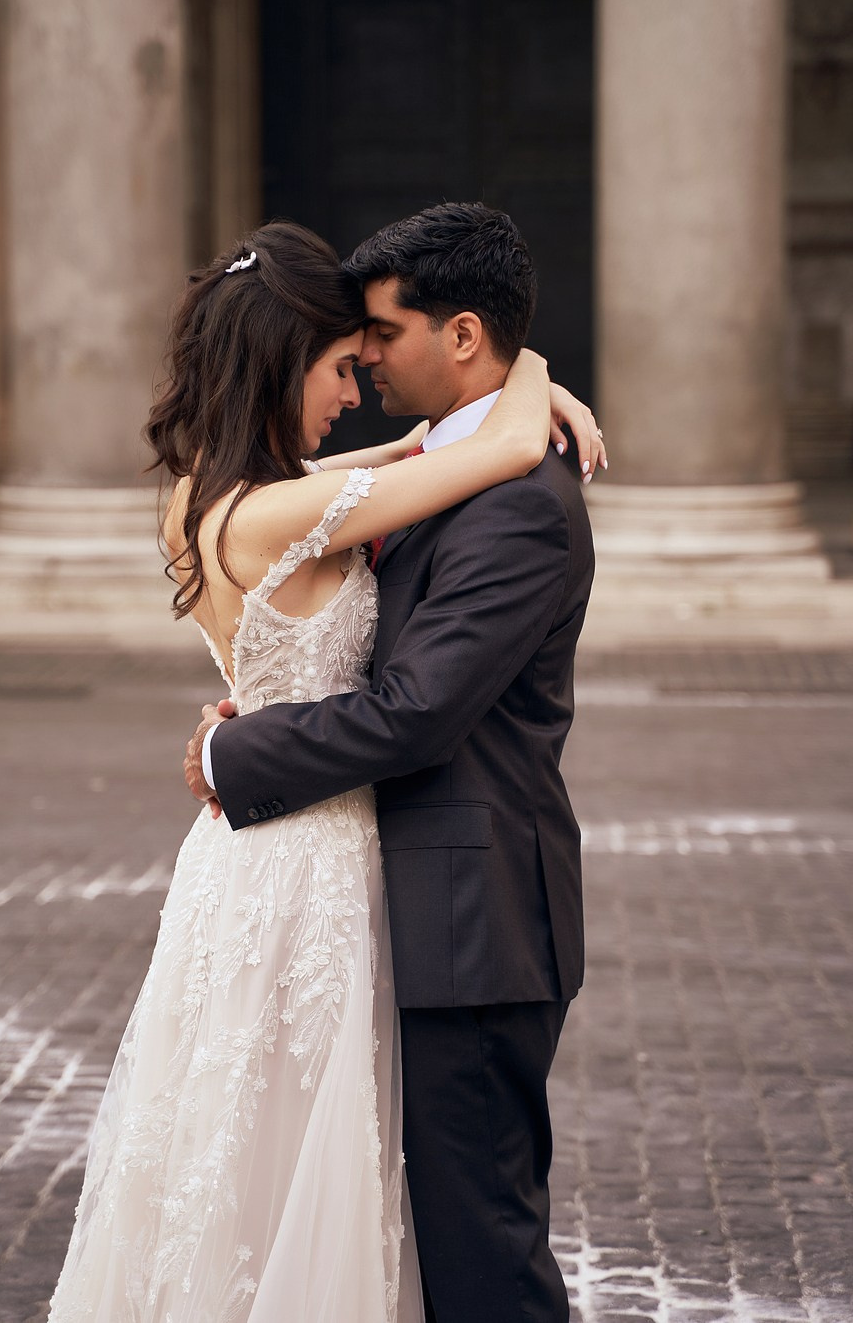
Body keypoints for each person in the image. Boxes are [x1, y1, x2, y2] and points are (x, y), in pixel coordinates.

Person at [47, 217, 601, 1323]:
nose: (363, 376)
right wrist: (538, 377)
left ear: (459, 334)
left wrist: (225, 745)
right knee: (321, 1188)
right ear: (279, 362)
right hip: (316, 879)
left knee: (405, 1216)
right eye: (345, 359)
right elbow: (451, 464)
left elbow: (419, 703)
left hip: (393, 897)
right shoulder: (311, 504)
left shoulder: (233, 497)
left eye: (378, 343)